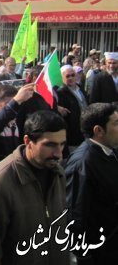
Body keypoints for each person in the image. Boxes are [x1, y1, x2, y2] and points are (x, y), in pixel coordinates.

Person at [0, 110, 69, 265]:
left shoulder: (58, 174)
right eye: (50, 145)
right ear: (27, 141)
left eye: (62, 144)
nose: (58, 153)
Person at [65, 103, 118, 264]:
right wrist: (83, 256)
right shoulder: (83, 163)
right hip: (100, 251)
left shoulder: (110, 151)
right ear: (98, 130)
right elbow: (76, 214)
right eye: (115, 123)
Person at [0, 83, 35, 179]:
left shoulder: (15, 125)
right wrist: (15, 101)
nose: (15, 107)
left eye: (18, 104)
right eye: (10, 103)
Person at [57, 65, 88, 155]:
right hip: (72, 132)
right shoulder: (61, 92)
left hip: (84, 130)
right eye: (67, 76)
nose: (71, 78)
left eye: (72, 75)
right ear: (62, 78)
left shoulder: (80, 88)